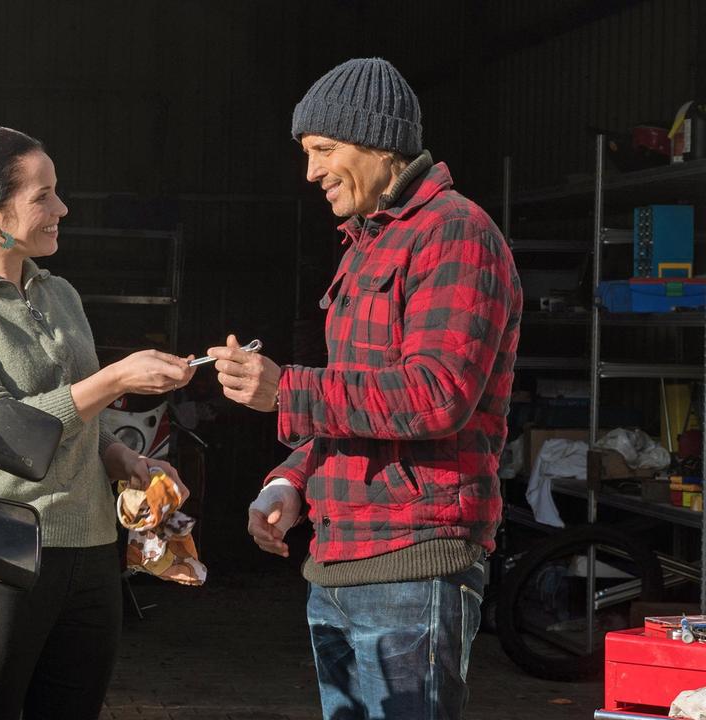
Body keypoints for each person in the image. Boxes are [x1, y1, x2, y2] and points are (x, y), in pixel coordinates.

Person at [207, 58, 522, 719]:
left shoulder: (455, 233)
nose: (311, 172)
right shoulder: (367, 244)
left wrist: (287, 391)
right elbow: (362, 399)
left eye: (324, 150)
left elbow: (437, 393)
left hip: (413, 562)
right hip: (341, 562)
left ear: (379, 144)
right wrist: (290, 482)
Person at [0, 126, 194, 720]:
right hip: (0, 557)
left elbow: (81, 415)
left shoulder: (61, 294)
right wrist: (115, 379)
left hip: (94, 550)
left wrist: (121, 458)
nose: (61, 208)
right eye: (42, 195)